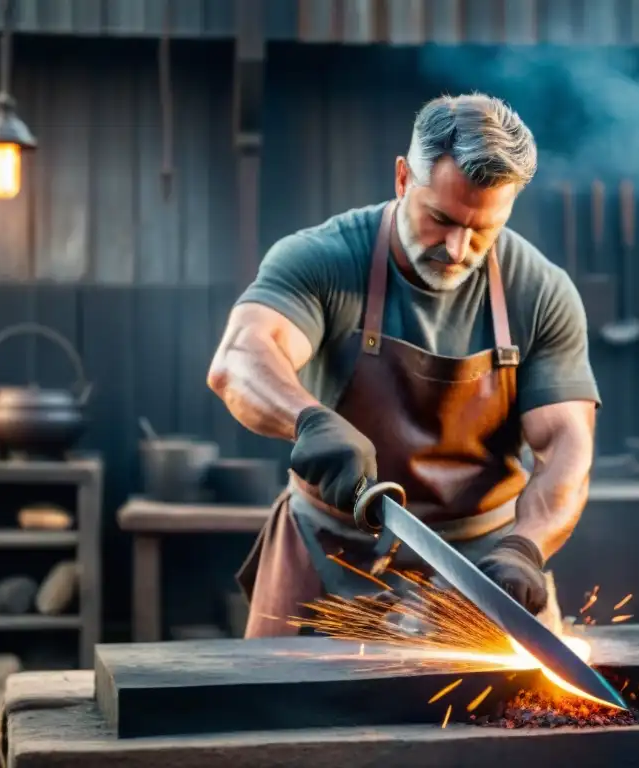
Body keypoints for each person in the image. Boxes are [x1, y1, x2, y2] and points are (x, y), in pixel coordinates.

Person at [207, 93, 601, 638]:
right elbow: (240, 359)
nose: (458, 249)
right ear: (401, 179)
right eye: (440, 219)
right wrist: (308, 420)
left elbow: (566, 449)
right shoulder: (323, 258)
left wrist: (524, 547)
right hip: (328, 555)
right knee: (282, 720)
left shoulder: (541, 290)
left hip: (483, 574)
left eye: (483, 230)